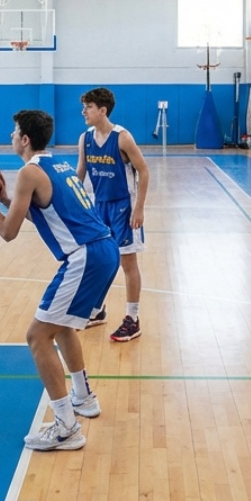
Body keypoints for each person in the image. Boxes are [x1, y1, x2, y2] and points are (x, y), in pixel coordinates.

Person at [0, 109, 119, 451]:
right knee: (61, 326)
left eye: (14, 131)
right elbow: (48, 215)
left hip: (85, 256)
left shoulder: (28, 172)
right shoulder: (57, 164)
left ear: (25, 139)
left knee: (37, 336)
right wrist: (5, 199)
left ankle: (66, 427)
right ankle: (83, 397)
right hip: (103, 250)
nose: (10, 136)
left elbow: (8, 232)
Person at [76, 87, 151, 341]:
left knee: (127, 263)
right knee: (100, 260)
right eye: (84, 107)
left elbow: (144, 171)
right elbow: (80, 173)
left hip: (123, 208)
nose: (83, 111)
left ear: (102, 110)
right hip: (99, 207)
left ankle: (133, 319)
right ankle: (97, 310)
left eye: (88, 107)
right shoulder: (85, 139)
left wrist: (139, 208)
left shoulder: (122, 138)